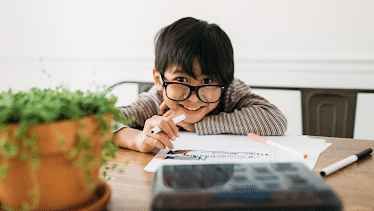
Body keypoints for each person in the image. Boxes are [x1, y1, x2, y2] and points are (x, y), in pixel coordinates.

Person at [112, 17, 287, 153]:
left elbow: (275, 121)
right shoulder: (154, 102)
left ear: (225, 81)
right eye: (181, 80)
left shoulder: (230, 92)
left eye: (207, 81)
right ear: (159, 80)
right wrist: (136, 139)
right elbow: (94, 123)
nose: (194, 98)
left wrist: (200, 125)